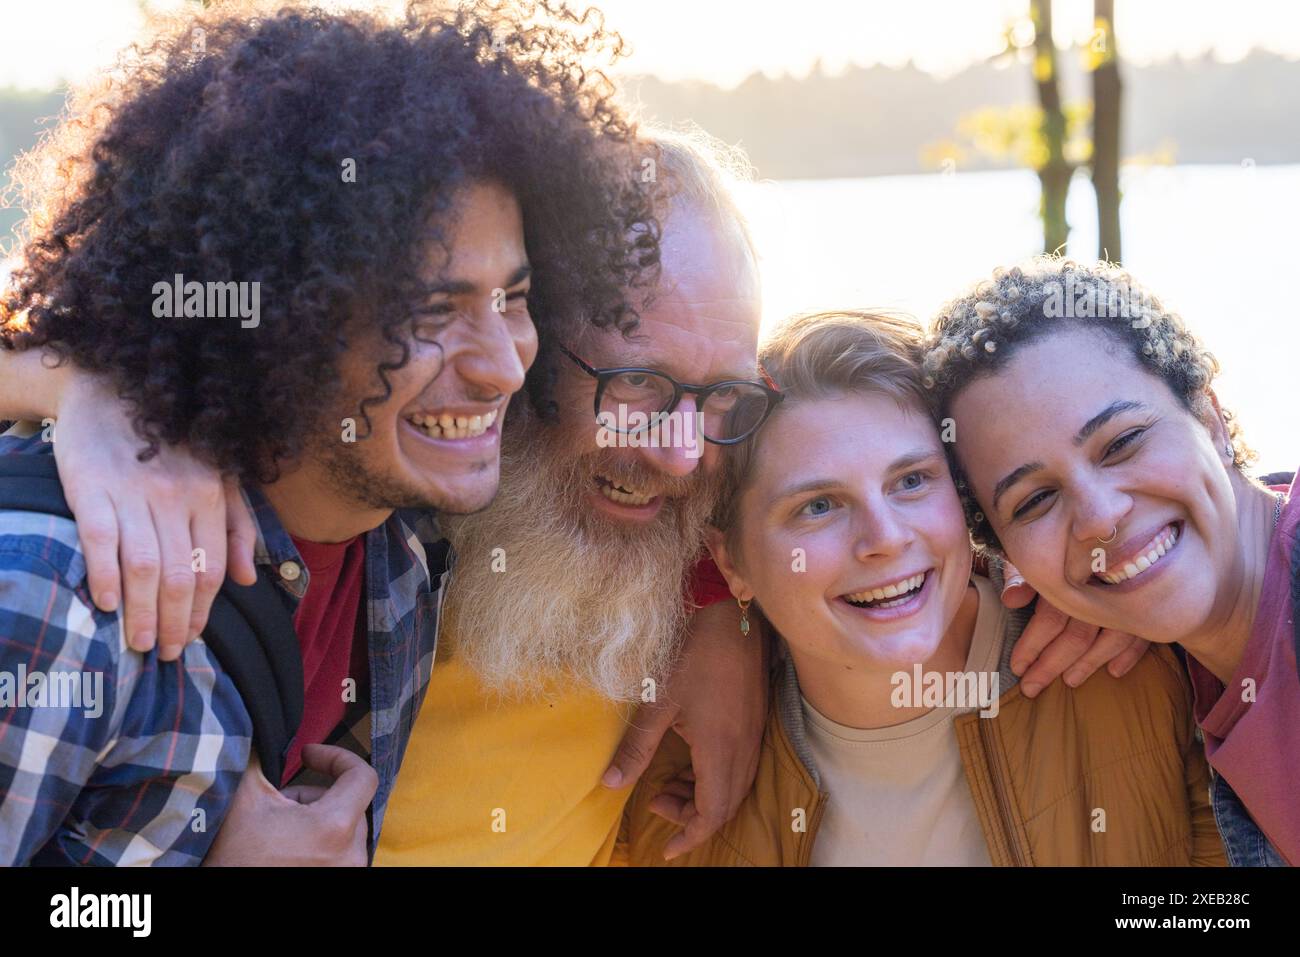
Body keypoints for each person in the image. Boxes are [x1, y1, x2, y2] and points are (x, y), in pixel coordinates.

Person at [0, 0, 658, 865]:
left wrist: (729, 626)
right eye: (430, 310)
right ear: (279, 316)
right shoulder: (55, 595)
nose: (503, 365)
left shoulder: (406, 541)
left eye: (515, 298)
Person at [625, 310, 1225, 866]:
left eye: (912, 480)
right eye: (818, 506)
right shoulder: (684, 767)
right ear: (729, 564)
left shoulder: (1138, 657)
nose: (883, 538)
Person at [921, 256, 1297, 866]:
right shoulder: (1179, 685)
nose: (1098, 518)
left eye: (1121, 443)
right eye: (1035, 500)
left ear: (1210, 418)